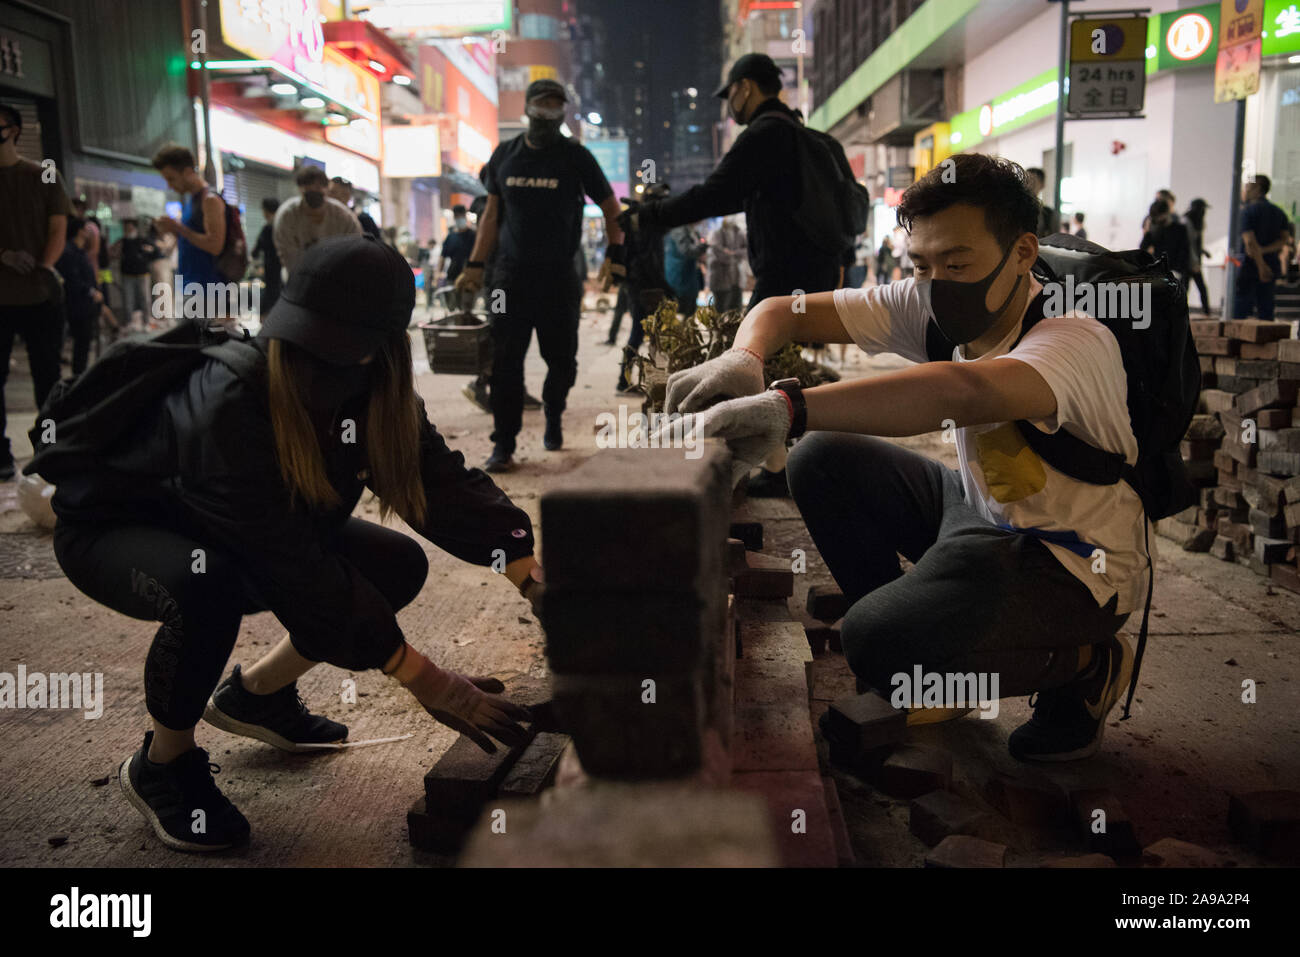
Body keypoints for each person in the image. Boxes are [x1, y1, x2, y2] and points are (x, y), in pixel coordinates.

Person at [50, 235, 543, 852]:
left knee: (395, 564)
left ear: (385, 348)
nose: (317, 361)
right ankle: (162, 762)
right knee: (205, 587)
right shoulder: (231, 400)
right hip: (117, 528)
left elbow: (438, 484)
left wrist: (529, 573)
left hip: (235, 530)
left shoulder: (376, 393)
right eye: (312, 339)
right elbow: (293, 567)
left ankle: (256, 695)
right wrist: (425, 677)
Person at [670, 154, 1146, 763]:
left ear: (1023, 252)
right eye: (921, 263)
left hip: (1072, 562)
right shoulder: (927, 300)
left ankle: (1083, 663)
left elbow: (961, 391)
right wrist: (746, 358)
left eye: (957, 262)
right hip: (980, 514)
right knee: (820, 459)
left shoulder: (1072, 337)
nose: (936, 282)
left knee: (871, 639)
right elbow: (780, 310)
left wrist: (789, 407)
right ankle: (926, 649)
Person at [454, 78, 625, 472]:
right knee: (504, 362)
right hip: (508, 279)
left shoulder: (576, 156)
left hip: (559, 277)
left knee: (562, 362)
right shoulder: (505, 155)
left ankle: (553, 412)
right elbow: (492, 217)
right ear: (528, 108)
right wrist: (476, 266)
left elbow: (612, 206)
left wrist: (616, 254)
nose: (549, 110)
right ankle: (504, 443)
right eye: (543, 102)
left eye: (556, 104)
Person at [627, 54, 847, 309]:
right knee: (778, 347)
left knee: (751, 349)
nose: (728, 104)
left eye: (728, 93)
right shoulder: (809, 137)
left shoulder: (763, 135)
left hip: (782, 281)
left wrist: (648, 213)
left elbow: (713, 196)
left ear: (745, 87)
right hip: (820, 276)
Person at [0, 103, 70, 481]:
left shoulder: (42, 173)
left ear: (13, 129)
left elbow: (57, 226)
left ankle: (48, 448)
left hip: (40, 293)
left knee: (48, 378)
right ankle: (1, 456)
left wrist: (44, 266)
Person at [150, 144, 231, 326]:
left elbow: (215, 245)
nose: (170, 185)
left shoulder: (209, 200)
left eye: (172, 178)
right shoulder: (191, 201)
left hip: (207, 292)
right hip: (191, 288)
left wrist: (178, 228)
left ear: (187, 171)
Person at [616, 182, 672, 393]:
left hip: (639, 285)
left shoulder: (641, 223)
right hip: (643, 287)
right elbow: (648, 261)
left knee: (646, 335)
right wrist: (664, 285)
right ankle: (625, 380)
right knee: (639, 333)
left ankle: (635, 380)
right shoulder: (647, 225)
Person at [274, 165, 361, 276]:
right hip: (299, 281)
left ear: (326, 188)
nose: (314, 189)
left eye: (319, 186)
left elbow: (356, 247)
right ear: (300, 189)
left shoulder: (343, 216)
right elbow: (289, 256)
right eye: (309, 185)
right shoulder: (287, 215)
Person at [1235, 174, 1290, 321]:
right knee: (1266, 310)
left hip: (1249, 267)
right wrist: (1265, 251)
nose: (1245, 190)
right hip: (1271, 266)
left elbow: (1250, 242)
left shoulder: (1247, 212)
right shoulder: (1279, 213)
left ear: (1258, 189)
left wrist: (1261, 265)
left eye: (1248, 187)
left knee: (1240, 311)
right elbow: (1284, 240)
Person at [55, 217, 101, 375]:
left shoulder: (80, 252)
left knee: (83, 345)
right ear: (79, 231)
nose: (90, 233)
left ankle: (80, 375)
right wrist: (91, 292)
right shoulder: (69, 252)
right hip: (76, 305)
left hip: (85, 306)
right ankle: (78, 378)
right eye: (86, 229)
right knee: (80, 345)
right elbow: (72, 281)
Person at [112, 217, 157, 330]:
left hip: (142, 274)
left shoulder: (142, 240)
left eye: (130, 225)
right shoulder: (122, 241)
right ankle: (129, 322)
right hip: (127, 274)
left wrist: (147, 253)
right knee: (128, 300)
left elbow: (154, 251)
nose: (127, 227)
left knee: (145, 299)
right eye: (126, 225)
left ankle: (146, 322)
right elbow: (114, 254)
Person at [1141, 199, 1190, 286]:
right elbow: (1143, 248)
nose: (1158, 220)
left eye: (1160, 216)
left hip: (1174, 273)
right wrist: (1147, 232)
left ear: (1166, 213)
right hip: (1157, 273)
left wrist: (1177, 270)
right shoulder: (1154, 231)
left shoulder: (1179, 230)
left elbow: (1184, 252)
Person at [664, 223, 706, 315]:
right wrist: (703, 246)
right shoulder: (679, 229)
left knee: (689, 311)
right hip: (680, 278)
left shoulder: (688, 229)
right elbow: (686, 251)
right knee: (683, 312)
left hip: (686, 278)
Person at [707, 216, 746, 313]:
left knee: (736, 310)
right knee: (721, 309)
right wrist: (734, 255)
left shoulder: (739, 232)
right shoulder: (716, 233)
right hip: (720, 279)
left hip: (736, 278)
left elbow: (746, 251)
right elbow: (718, 253)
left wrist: (732, 253)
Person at [252, 197, 282, 316]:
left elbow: (257, 249)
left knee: (271, 294)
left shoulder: (269, 227)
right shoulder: (283, 225)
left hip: (272, 266)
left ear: (266, 210)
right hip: (281, 266)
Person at [1183, 198, 1211, 316]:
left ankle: (1206, 311)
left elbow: (1195, 244)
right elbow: (1187, 244)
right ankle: (1205, 311)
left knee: (1189, 287)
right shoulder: (1187, 222)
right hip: (1188, 262)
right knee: (1187, 287)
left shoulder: (1197, 222)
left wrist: (1203, 252)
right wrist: (1194, 262)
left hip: (1193, 261)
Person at [440, 205, 476, 289]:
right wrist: (438, 273)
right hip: (453, 276)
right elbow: (442, 256)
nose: (459, 218)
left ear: (465, 216)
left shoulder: (473, 235)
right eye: (456, 216)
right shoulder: (451, 237)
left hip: (469, 277)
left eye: (461, 215)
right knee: (452, 301)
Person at [1024, 167, 1060, 237]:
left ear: (1042, 184)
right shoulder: (1014, 209)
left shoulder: (1048, 215)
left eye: (1033, 181)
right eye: (1026, 180)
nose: (1028, 185)